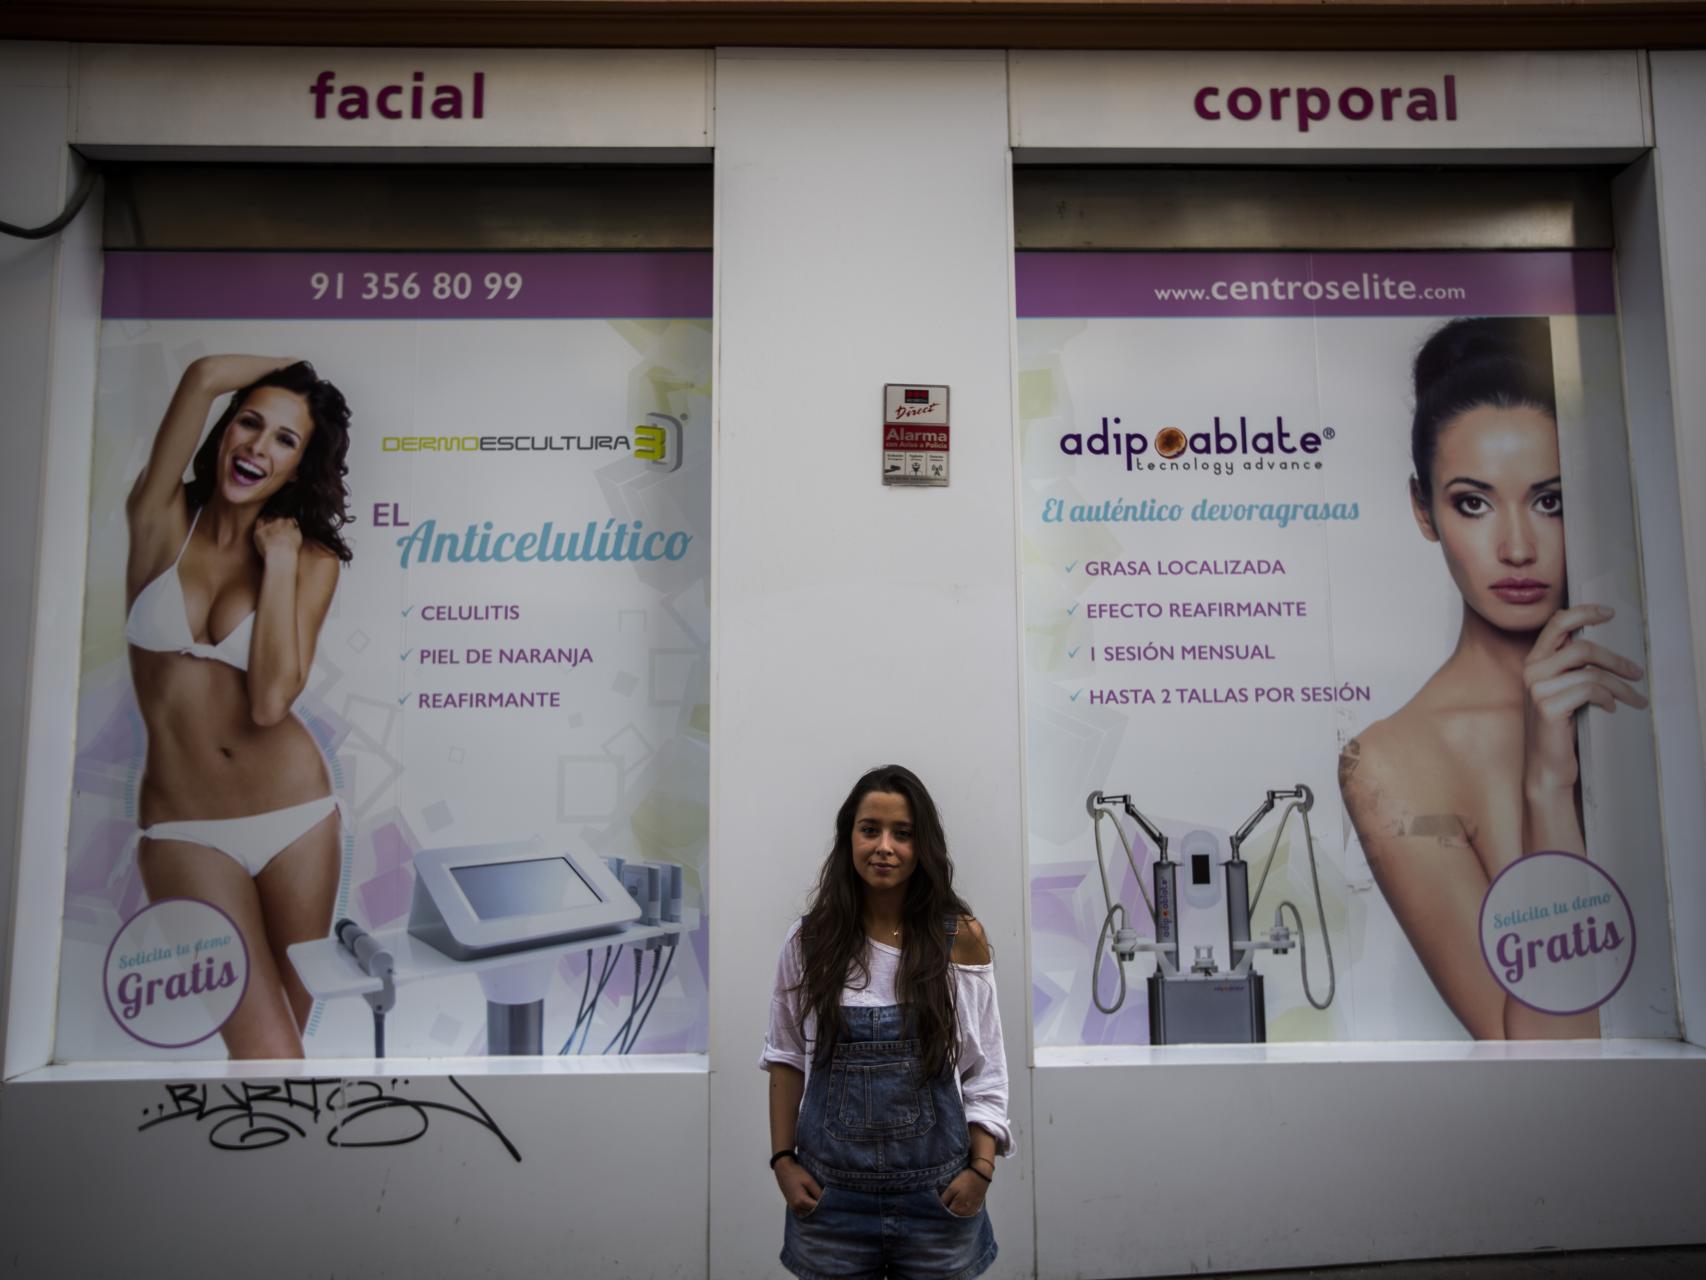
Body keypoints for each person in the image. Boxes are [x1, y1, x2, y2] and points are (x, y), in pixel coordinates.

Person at [1339, 318, 1647, 1041]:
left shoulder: (1656, 681)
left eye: (1551, 500)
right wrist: (1545, 787)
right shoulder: (1390, 763)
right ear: (1425, 511)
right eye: (1473, 503)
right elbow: (1542, 1066)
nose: (1516, 547)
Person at [124, 355, 353, 1059]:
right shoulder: (161, 519)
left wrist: (279, 562)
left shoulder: (311, 559)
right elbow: (200, 375)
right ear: (223, 431)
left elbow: (270, 702)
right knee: (266, 1051)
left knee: (303, 1039)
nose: (259, 446)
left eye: (286, 438)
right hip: (185, 829)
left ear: (299, 466)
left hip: (296, 820)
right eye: (250, 423)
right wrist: (294, 370)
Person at [762, 765, 1009, 1280]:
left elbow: (984, 1070)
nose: (885, 847)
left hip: (938, 1201)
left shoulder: (958, 936)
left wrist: (981, 1171)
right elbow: (785, 1059)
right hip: (830, 1205)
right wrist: (783, 1160)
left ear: (924, 847)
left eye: (903, 833)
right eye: (870, 829)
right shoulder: (809, 943)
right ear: (848, 836)